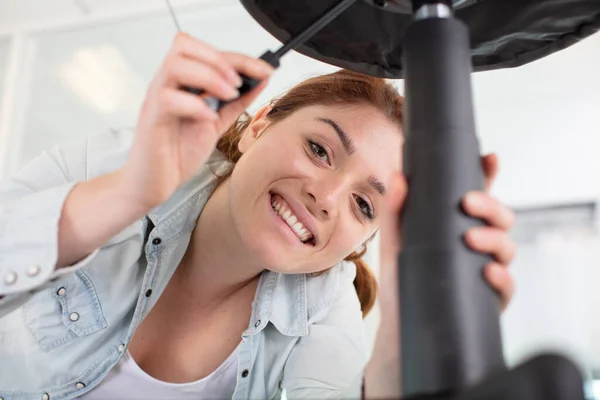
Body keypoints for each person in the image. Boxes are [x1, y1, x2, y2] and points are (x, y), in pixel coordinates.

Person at [0, 33, 516, 399]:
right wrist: (128, 192)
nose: (328, 197)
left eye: (364, 205)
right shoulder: (115, 164)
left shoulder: (322, 297)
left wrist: (406, 332)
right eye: (319, 149)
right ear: (259, 126)